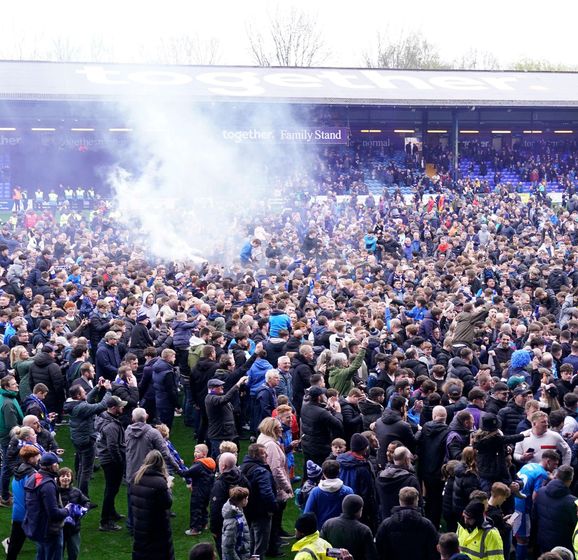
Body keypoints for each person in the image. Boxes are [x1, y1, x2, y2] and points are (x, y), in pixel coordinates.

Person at [125, 407, 180, 533]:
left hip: (132, 470)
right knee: (150, 499)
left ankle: (132, 525)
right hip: (148, 472)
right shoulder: (153, 433)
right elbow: (165, 453)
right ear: (147, 416)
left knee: (132, 498)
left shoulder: (127, 431)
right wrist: (178, 468)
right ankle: (148, 525)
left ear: (133, 418)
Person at [63, 377, 111, 498]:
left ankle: (78, 494)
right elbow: (102, 405)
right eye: (83, 392)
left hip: (79, 439)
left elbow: (87, 400)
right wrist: (109, 391)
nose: (85, 392)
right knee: (86, 471)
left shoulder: (73, 404)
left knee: (81, 468)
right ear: (78, 396)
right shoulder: (81, 408)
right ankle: (83, 497)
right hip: (86, 441)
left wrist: (97, 388)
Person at [513, 449, 560, 560]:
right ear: (548, 461)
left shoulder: (530, 465)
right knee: (523, 538)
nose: (555, 468)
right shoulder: (542, 474)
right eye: (555, 464)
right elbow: (535, 496)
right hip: (523, 507)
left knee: (515, 533)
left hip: (513, 502)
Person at [256, 417, 293, 555]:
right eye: (279, 427)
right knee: (275, 513)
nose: (282, 428)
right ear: (271, 428)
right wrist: (286, 486)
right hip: (275, 486)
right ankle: (274, 544)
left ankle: (276, 536)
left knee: (276, 515)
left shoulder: (264, 438)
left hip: (272, 484)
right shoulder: (270, 444)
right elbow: (275, 469)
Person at [22, 451, 68, 560]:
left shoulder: (33, 477)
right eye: (57, 464)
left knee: (41, 555)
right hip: (49, 530)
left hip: (37, 527)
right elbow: (54, 513)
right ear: (52, 466)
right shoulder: (48, 485)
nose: (58, 466)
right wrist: (67, 510)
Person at [130, 449, 175, 560]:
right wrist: (168, 487)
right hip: (157, 528)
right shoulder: (160, 482)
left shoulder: (136, 477)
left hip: (140, 524)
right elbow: (167, 503)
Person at [375, 486, 439, 560]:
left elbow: (379, 549)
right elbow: (434, 551)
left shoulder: (386, 524)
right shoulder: (427, 525)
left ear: (400, 500)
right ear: (416, 500)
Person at [240, 443, 278, 560]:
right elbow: (266, 493)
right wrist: (273, 508)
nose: (266, 455)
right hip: (261, 511)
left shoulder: (243, 467)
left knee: (251, 538)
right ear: (256, 455)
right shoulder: (261, 471)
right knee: (261, 544)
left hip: (248, 509)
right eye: (263, 453)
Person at [95, 395, 127, 531]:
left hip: (105, 458)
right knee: (111, 490)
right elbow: (112, 446)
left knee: (112, 489)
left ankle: (111, 512)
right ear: (113, 408)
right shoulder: (111, 426)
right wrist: (120, 461)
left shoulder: (103, 418)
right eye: (120, 406)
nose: (123, 407)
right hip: (111, 461)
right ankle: (105, 521)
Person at [209, 452, 250, 558]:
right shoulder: (242, 478)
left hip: (225, 525)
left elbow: (215, 508)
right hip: (243, 521)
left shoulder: (220, 484)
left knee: (227, 552)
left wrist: (214, 529)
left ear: (223, 466)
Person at [5, 445, 41, 560]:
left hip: (17, 513)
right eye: (37, 455)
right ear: (31, 459)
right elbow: (36, 496)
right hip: (29, 515)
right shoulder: (33, 475)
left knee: (14, 547)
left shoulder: (17, 472)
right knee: (43, 544)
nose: (39, 457)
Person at [417, 404, 449, 528]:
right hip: (438, 471)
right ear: (445, 417)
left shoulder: (425, 428)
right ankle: (434, 525)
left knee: (428, 497)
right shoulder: (447, 431)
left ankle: (428, 521)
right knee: (437, 499)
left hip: (425, 469)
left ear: (433, 416)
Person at [534, 464, 577, 554]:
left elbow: (534, 517)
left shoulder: (541, 492)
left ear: (556, 476)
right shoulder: (572, 502)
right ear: (571, 480)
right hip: (563, 547)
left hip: (543, 541)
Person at [320, 494, 377, 560]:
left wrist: (338, 553)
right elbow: (372, 556)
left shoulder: (328, 524)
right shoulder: (364, 530)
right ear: (358, 511)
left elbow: (321, 549)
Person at [205, 375, 248, 458]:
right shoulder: (211, 398)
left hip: (228, 433)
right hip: (219, 435)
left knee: (223, 457)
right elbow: (225, 399)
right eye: (219, 386)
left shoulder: (217, 397)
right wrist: (238, 384)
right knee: (222, 458)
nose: (222, 387)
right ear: (212, 388)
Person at [300, 386, 343, 468]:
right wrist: (337, 411)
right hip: (319, 447)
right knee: (321, 470)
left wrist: (327, 408)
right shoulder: (322, 412)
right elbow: (338, 424)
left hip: (307, 444)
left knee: (308, 469)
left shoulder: (304, 406)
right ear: (319, 397)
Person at [304, 459, 353, 529]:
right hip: (342, 528)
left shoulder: (316, 491)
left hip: (321, 528)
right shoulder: (348, 490)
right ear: (339, 472)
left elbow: (307, 513)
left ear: (323, 473)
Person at [182, 443, 216, 536]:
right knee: (204, 507)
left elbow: (186, 473)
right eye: (194, 451)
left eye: (197, 452)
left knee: (196, 508)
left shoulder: (199, 464)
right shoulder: (210, 462)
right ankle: (204, 524)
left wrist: (180, 467)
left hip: (199, 490)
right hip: (208, 490)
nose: (195, 453)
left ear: (204, 454)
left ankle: (195, 529)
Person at [374, 395, 416, 469]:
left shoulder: (379, 421)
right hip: (395, 464)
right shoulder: (403, 425)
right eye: (405, 407)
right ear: (402, 408)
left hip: (380, 461)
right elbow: (412, 444)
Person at [0, 374, 23, 506]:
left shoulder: (6, 397)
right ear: (6, 387)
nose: (17, 385)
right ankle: (4, 497)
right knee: (7, 468)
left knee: (5, 467)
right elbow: (12, 427)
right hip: (8, 438)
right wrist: (26, 428)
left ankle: (4, 492)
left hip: (5, 437)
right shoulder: (8, 403)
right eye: (14, 384)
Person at [57, 467, 89, 560]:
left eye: (68, 476)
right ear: (58, 479)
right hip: (60, 528)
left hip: (74, 528)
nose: (65, 478)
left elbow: (86, 502)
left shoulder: (76, 491)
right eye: (62, 476)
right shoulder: (55, 491)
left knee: (74, 552)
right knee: (58, 553)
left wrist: (83, 510)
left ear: (71, 478)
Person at [221, 486, 251, 560]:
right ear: (242, 500)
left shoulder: (238, 511)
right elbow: (228, 548)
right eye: (247, 498)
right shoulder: (233, 522)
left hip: (241, 553)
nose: (247, 500)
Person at [153, 348, 179, 429]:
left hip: (159, 398)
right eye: (174, 357)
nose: (175, 359)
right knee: (166, 426)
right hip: (167, 402)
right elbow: (171, 391)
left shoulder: (157, 367)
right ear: (169, 357)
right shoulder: (168, 372)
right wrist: (177, 405)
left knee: (161, 423)